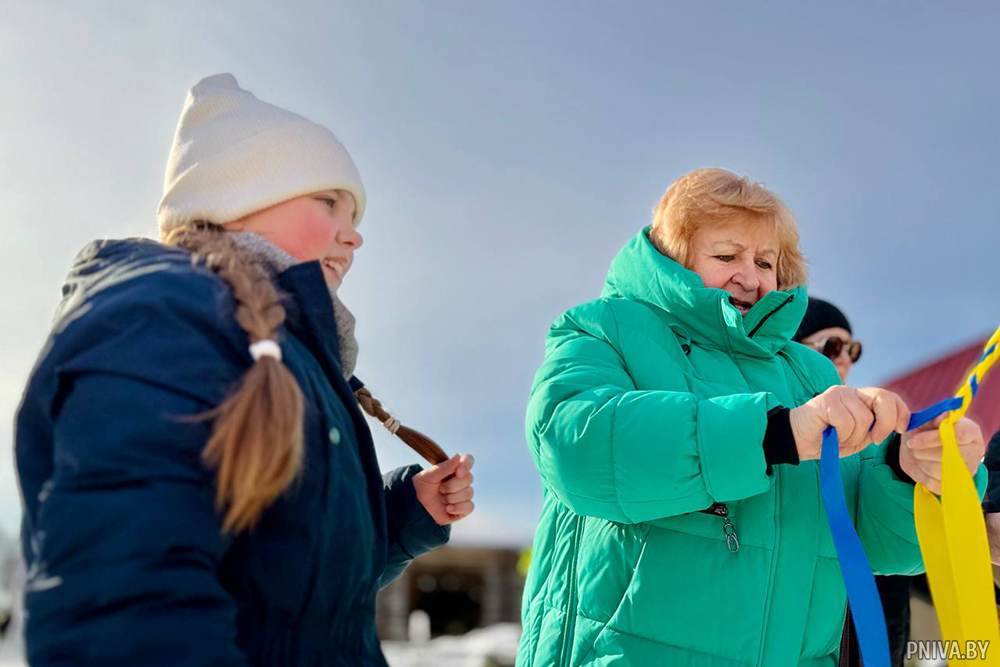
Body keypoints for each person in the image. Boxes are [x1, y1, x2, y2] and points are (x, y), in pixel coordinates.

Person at [15, 73, 475, 666]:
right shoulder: (163, 319)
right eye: (329, 202)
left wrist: (404, 513)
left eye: (355, 215)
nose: (355, 236)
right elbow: (124, 606)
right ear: (239, 198)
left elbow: (290, 587)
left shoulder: (297, 360)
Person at [516, 168, 987, 666]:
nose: (751, 277)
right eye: (726, 256)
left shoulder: (810, 372)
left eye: (765, 262)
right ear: (674, 255)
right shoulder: (604, 327)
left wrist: (916, 472)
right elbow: (576, 444)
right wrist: (774, 434)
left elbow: (882, 546)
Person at [793, 298, 912, 667]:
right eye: (832, 346)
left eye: (852, 349)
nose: (845, 358)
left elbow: (906, 546)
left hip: (881, 644)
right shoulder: (777, 436)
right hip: (819, 638)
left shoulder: (872, 435)